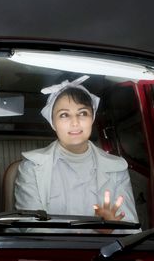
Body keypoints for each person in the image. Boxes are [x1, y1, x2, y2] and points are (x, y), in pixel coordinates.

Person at [14, 75, 138, 226]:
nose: (75, 122)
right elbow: (31, 228)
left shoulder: (117, 167)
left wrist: (110, 229)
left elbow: (130, 227)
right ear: (53, 123)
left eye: (83, 113)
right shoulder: (31, 166)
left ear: (92, 118)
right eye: (64, 115)